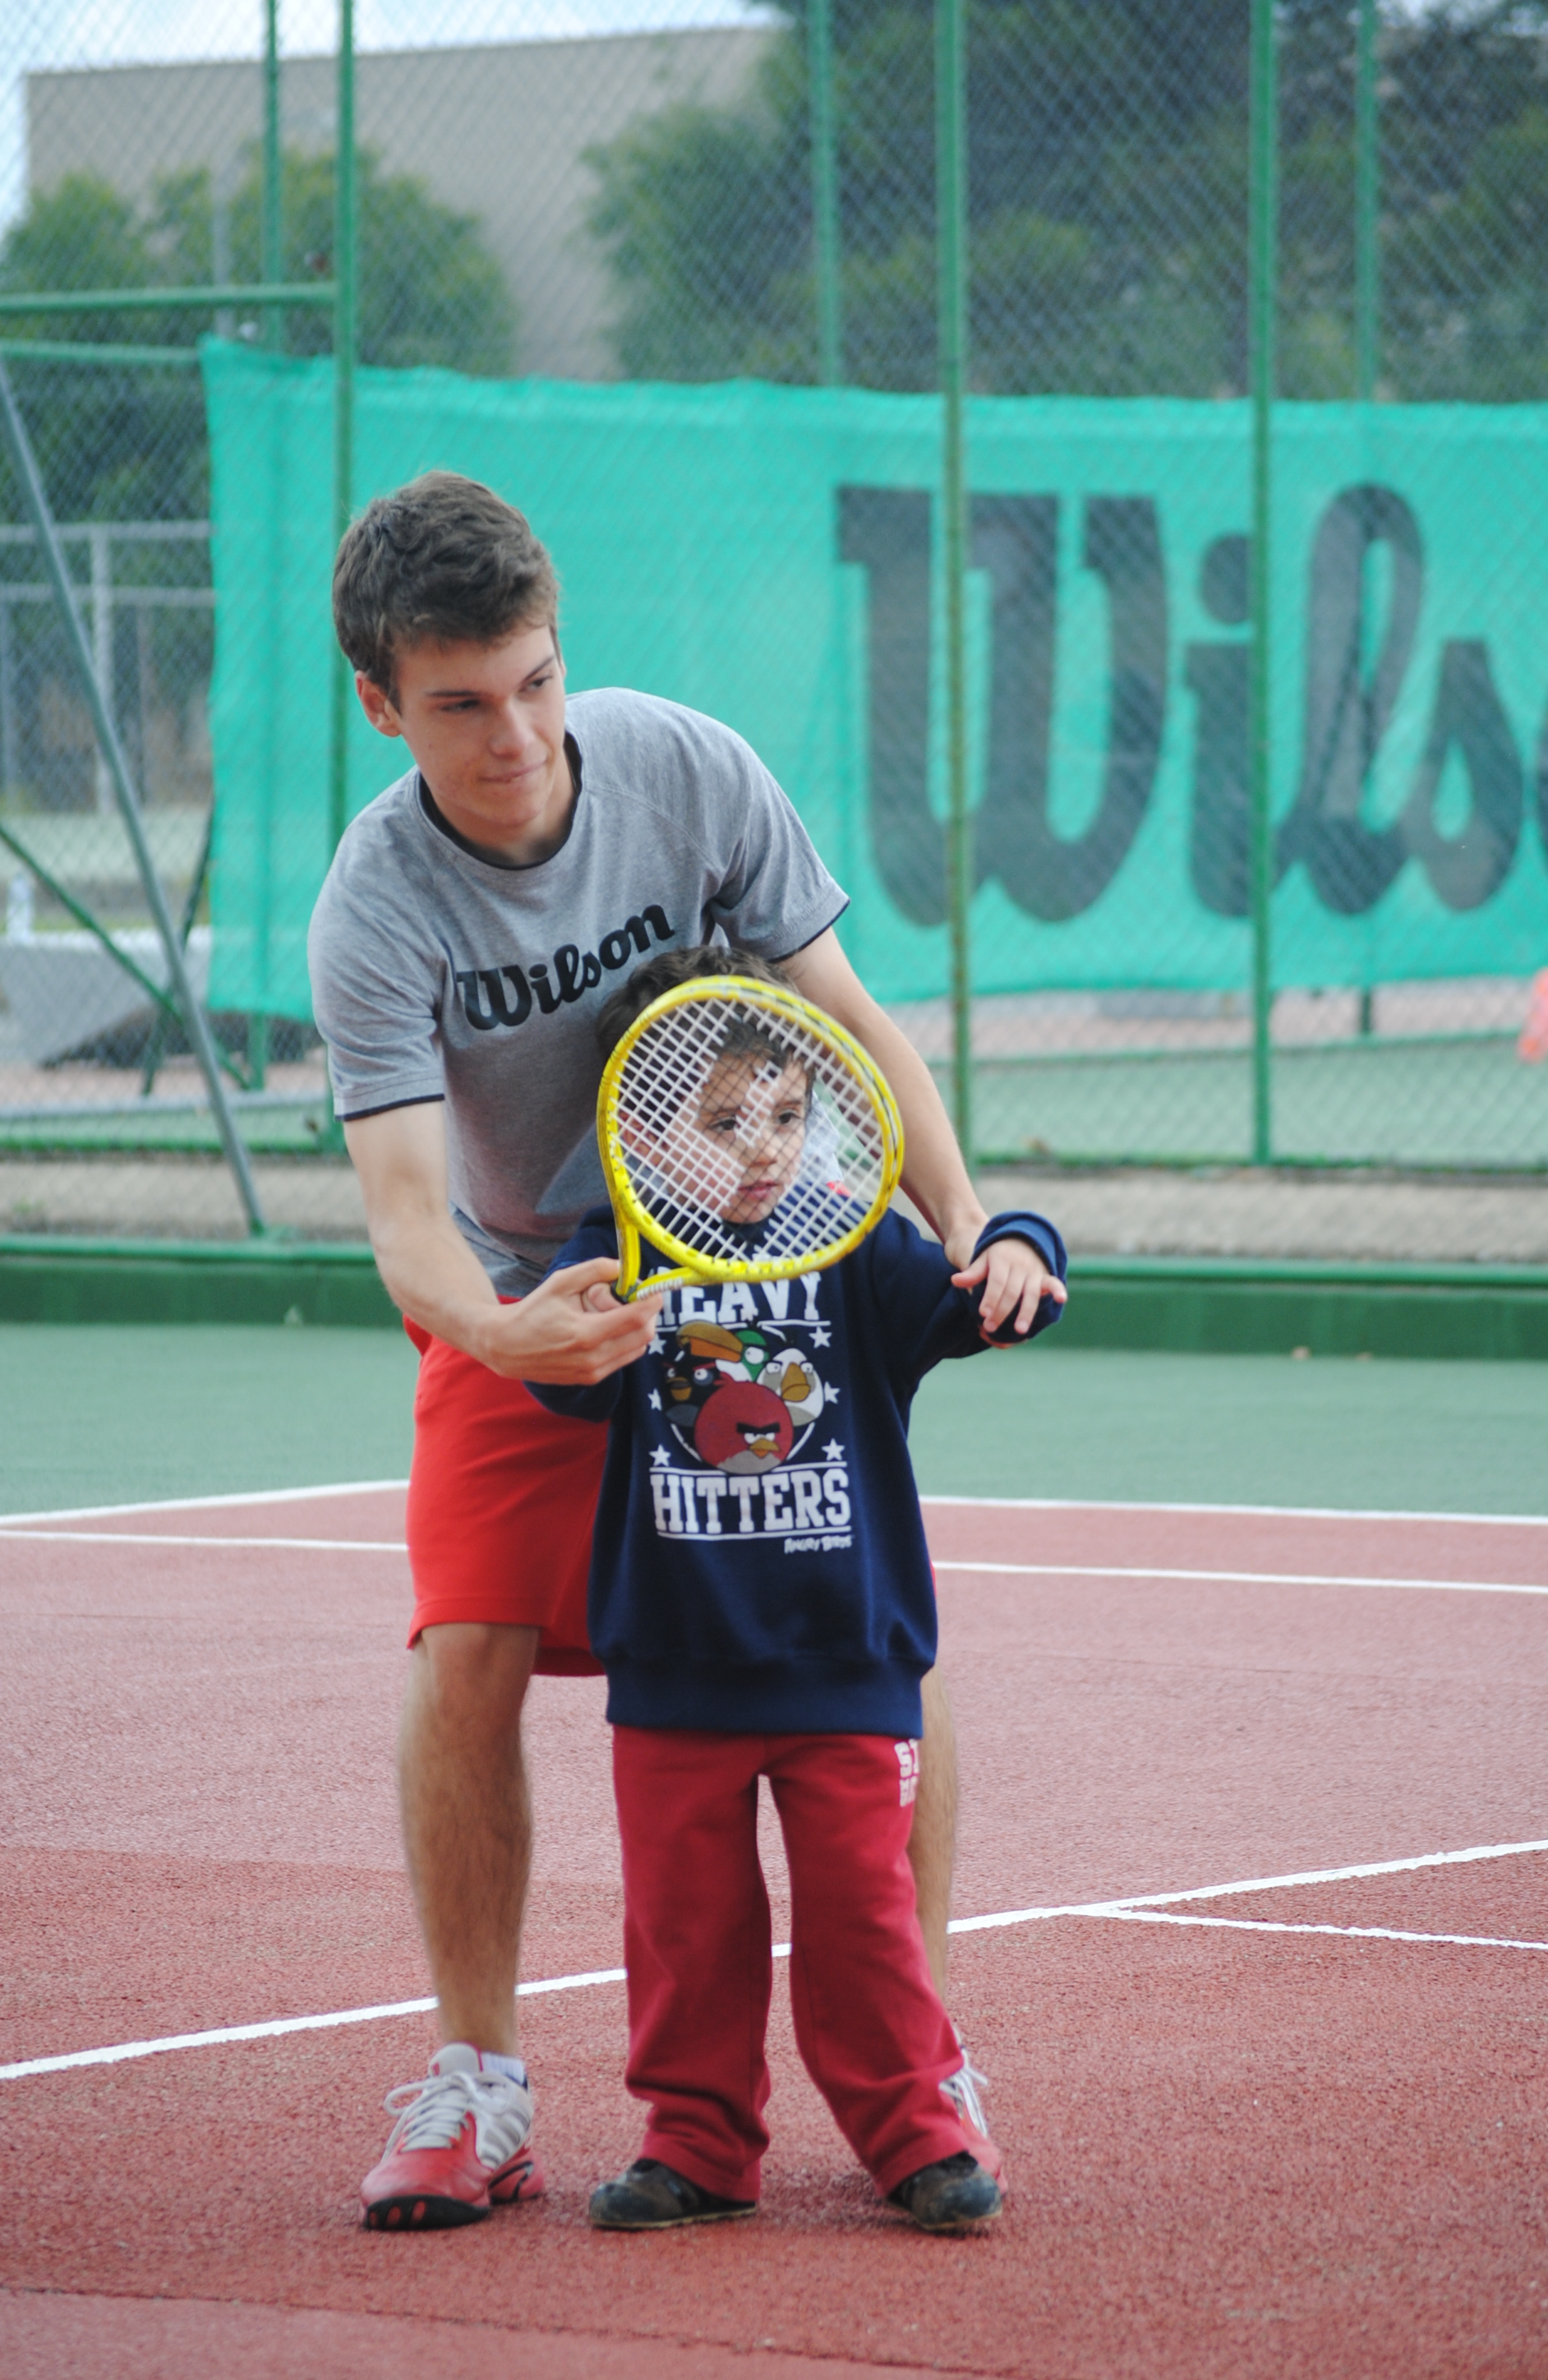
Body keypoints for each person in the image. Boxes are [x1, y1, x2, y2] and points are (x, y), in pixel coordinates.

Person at [307, 471, 1060, 2230]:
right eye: (462, 705)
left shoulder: (691, 771)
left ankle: (923, 2055)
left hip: (763, 1254)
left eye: (537, 681)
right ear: (383, 704)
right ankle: (483, 2084)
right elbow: (407, 1213)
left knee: (874, 1631)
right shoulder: (377, 902)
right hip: (535, 1289)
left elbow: (852, 1028)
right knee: (466, 1645)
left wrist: (970, 1224)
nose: (516, 738)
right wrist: (508, 1329)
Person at [524, 944, 1067, 2233]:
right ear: (636, 1136)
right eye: (723, 1122)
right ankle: (698, 2147)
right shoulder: (616, 1263)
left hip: (847, 1667)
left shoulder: (860, 1248)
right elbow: (561, 1384)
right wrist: (559, 1326)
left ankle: (916, 2136)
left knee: (866, 1920)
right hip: (674, 1670)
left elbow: (996, 1298)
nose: (764, 1146)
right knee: (685, 1932)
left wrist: (1016, 1250)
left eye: (784, 1112)